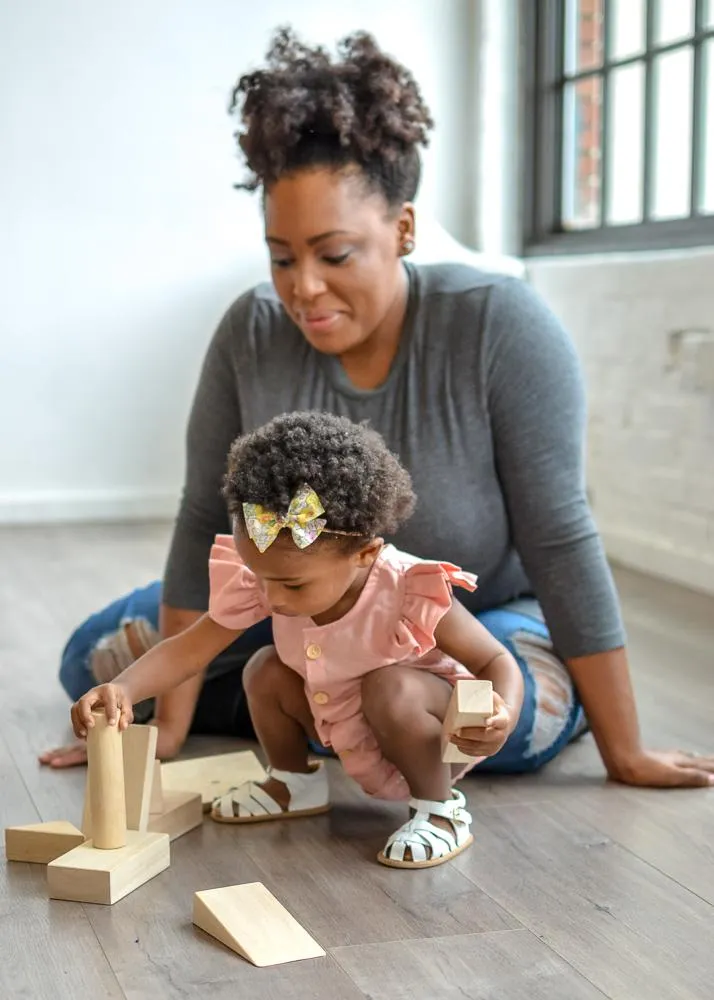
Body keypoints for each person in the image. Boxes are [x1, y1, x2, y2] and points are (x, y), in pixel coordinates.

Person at [43, 28, 713, 789]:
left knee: (506, 723)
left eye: (334, 255)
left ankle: (345, 712)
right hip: (296, 606)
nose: (303, 289)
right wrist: (164, 727)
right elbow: (205, 516)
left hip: (472, 618)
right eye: (281, 256)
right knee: (90, 661)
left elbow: (560, 539)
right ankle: (341, 712)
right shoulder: (250, 330)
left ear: (402, 230)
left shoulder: (501, 325)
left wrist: (627, 753)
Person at [72, 411, 528, 868]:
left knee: (387, 685)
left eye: (292, 586)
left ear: (365, 554)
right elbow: (191, 648)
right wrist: (125, 687)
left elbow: (495, 661)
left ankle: (441, 811)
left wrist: (501, 714)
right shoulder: (272, 578)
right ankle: (293, 780)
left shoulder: (408, 586)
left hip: (424, 734)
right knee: (263, 668)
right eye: (259, 576)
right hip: (344, 727)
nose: (271, 598)